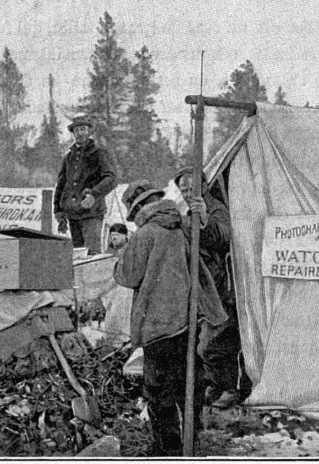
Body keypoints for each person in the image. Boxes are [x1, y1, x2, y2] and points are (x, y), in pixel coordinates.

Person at [114, 180, 204, 456]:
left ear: (139, 207)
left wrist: (121, 258)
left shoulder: (146, 234)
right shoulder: (183, 228)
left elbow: (127, 276)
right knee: (187, 383)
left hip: (158, 325)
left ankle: (167, 449)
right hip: (187, 321)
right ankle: (193, 438)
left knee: (158, 390)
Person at [174, 166, 251, 408]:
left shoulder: (214, 208)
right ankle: (216, 386)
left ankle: (231, 389)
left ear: (204, 187)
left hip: (222, 288)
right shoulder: (190, 210)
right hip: (207, 289)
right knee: (204, 343)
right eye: (183, 190)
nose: (187, 194)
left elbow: (224, 237)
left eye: (191, 189)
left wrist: (205, 220)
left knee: (216, 342)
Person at [54, 116, 117, 255]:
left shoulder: (98, 153)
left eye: (83, 129)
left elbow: (111, 178)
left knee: (91, 255)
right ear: (73, 134)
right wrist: (58, 211)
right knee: (77, 255)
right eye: (76, 130)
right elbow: (61, 186)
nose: (80, 133)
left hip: (92, 213)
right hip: (73, 215)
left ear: (89, 132)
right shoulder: (68, 158)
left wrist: (94, 195)